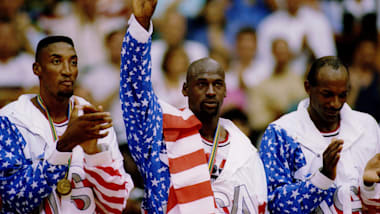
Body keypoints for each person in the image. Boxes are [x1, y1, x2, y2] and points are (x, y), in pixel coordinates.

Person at [119, 0, 267, 213]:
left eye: (217, 84)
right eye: (201, 84)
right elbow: (135, 93)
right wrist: (140, 29)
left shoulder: (244, 149)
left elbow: (258, 204)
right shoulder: (162, 130)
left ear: (225, 91)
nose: (209, 91)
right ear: (185, 89)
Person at [0, 35, 133, 213]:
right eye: (56, 61)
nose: (67, 70)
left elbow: (115, 205)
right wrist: (64, 147)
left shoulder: (93, 120)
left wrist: (94, 155)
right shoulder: (12, 119)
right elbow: (15, 199)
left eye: (73, 62)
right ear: (37, 69)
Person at [259, 56, 380, 213]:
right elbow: (274, 204)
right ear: (308, 87)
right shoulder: (281, 132)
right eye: (327, 94)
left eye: (342, 95)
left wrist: (369, 186)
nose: (336, 103)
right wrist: (323, 177)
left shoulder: (367, 126)